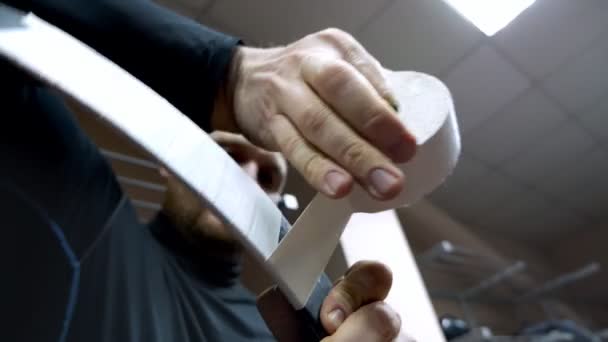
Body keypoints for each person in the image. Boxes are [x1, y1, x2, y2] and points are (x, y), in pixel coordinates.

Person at [1, 0, 417, 340]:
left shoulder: (278, 329)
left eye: (268, 177)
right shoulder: (87, 214)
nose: (248, 182)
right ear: (170, 167)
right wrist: (222, 72)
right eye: (229, 159)